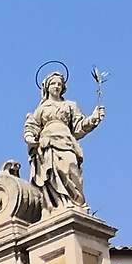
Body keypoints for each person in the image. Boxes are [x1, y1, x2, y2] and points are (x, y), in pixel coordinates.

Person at [23, 70, 103, 211]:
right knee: (52, 173)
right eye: (53, 83)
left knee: (71, 168)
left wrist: (93, 118)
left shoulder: (70, 105)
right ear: (47, 87)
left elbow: (79, 126)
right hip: (48, 144)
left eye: (59, 84)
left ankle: (76, 202)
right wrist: (30, 137)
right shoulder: (41, 109)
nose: (56, 86)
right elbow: (32, 126)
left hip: (66, 141)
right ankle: (60, 203)